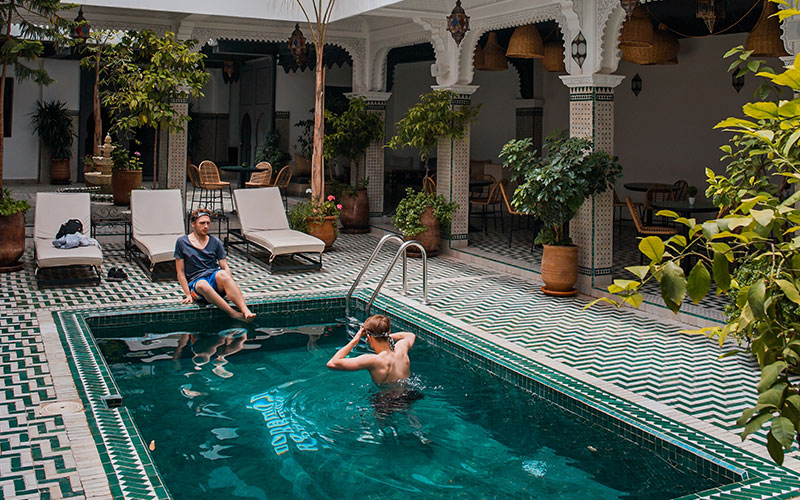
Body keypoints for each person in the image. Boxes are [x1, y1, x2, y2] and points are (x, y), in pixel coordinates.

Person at [175, 208, 255, 321]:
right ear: (193, 224)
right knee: (202, 283)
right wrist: (187, 294)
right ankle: (232, 313)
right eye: (202, 223)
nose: (206, 226)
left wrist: (230, 284)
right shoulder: (182, 242)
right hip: (197, 284)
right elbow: (180, 272)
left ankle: (245, 310)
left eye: (208, 223)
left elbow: (224, 266)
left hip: (215, 280)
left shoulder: (215, 241)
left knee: (222, 273)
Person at [326, 315, 415, 384]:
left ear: (368, 337)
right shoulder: (402, 348)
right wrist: (385, 337)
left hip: (388, 403)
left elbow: (332, 363)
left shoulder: (373, 360)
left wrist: (355, 340)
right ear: (389, 332)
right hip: (409, 396)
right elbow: (410, 335)